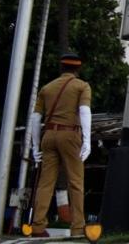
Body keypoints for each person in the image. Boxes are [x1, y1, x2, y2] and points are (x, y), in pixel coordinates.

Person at [27, 52, 92, 237]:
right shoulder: (82, 86)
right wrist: (87, 140)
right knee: (76, 182)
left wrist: (35, 145)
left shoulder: (46, 88)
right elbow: (84, 111)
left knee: (45, 183)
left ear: (62, 67)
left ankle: (38, 226)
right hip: (70, 135)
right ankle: (78, 227)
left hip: (48, 136)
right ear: (78, 68)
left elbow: (35, 117)